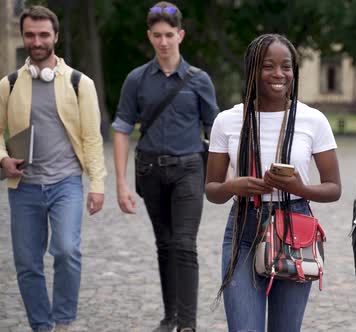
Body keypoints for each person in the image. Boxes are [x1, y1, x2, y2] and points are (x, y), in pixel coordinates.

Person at [205, 34, 341, 332]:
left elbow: (334, 188)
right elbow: (212, 190)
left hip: (296, 229)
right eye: (268, 66)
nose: (279, 74)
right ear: (252, 69)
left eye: (286, 66)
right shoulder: (228, 121)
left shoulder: (312, 120)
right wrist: (233, 186)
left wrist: (300, 188)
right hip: (243, 229)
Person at [111, 2, 219, 332]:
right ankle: (170, 316)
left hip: (189, 169)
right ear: (149, 36)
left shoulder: (200, 80)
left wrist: (221, 177)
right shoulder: (136, 79)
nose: (163, 42)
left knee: (184, 244)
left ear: (180, 35)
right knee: (165, 245)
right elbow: (121, 128)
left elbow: (215, 130)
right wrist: (120, 183)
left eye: (169, 35)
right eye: (157, 35)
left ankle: (187, 324)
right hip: (150, 172)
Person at [0, 5, 106, 332]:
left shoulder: (79, 83)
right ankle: (41, 326)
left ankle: (63, 322)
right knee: (27, 264)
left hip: (66, 184)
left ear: (55, 37)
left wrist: (98, 184)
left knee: (66, 251)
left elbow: (91, 137)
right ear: (23, 37)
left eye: (44, 34)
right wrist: (2, 157)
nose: (37, 40)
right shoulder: (9, 84)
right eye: (30, 34)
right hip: (24, 188)